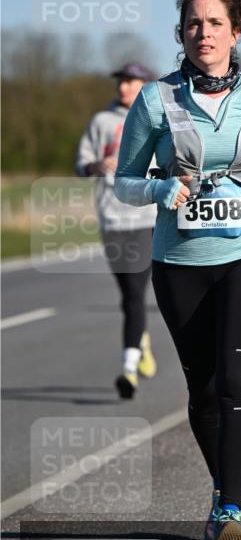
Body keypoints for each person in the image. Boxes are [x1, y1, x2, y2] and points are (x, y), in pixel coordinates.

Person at [114, 0, 241, 540]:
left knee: (237, 379)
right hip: (180, 259)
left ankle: (231, 510)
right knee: (203, 388)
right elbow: (124, 182)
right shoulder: (154, 100)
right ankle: (222, 492)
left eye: (214, 22)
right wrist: (160, 189)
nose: (203, 33)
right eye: (193, 24)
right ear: (181, 35)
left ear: (236, 30)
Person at [75, 62, 158, 399]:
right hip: (111, 219)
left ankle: (128, 369)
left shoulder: (156, 117)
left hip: (145, 218)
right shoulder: (101, 122)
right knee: (129, 296)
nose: (123, 87)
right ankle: (141, 340)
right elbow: (81, 164)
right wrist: (97, 165)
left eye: (130, 82)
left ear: (143, 85)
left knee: (136, 294)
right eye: (120, 82)